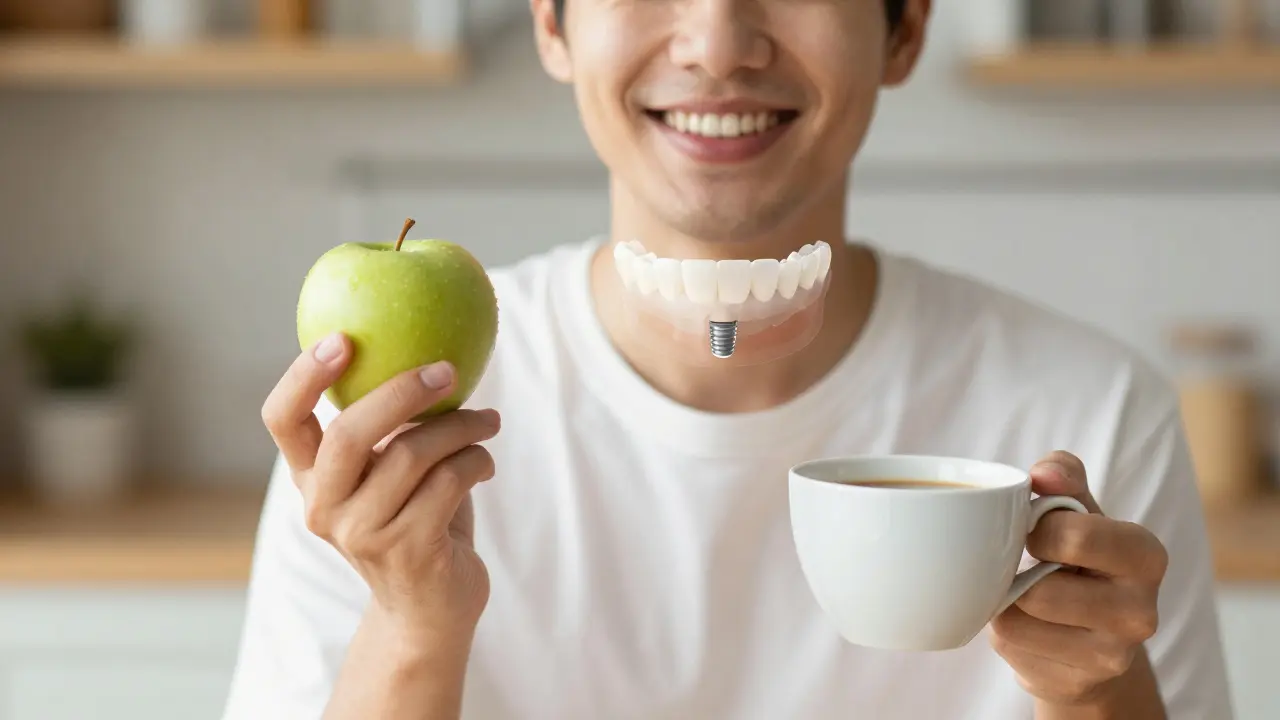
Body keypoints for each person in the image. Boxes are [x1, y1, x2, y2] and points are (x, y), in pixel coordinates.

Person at [223, 0, 1235, 718]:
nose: (716, 42)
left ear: (905, 26)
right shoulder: (389, 439)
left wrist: (1095, 695)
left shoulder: (1090, 411)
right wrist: (410, 626)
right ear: (549, 22)